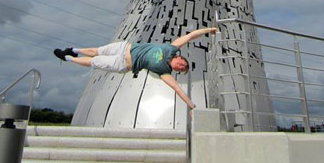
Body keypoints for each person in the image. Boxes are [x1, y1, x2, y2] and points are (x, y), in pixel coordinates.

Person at [54, 27, 218, 112]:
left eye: (181, 70)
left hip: (122, 64)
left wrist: (192, 107)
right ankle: (73, 49)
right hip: (124, 47)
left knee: (94, 62)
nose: (180, 67)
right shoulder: (172, 48)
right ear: (180, 58)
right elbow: (190, 37)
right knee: (97, 50)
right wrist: (208, 30)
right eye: (182, 65)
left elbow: (177, 89)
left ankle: (68, 58)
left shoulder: (164, 72)